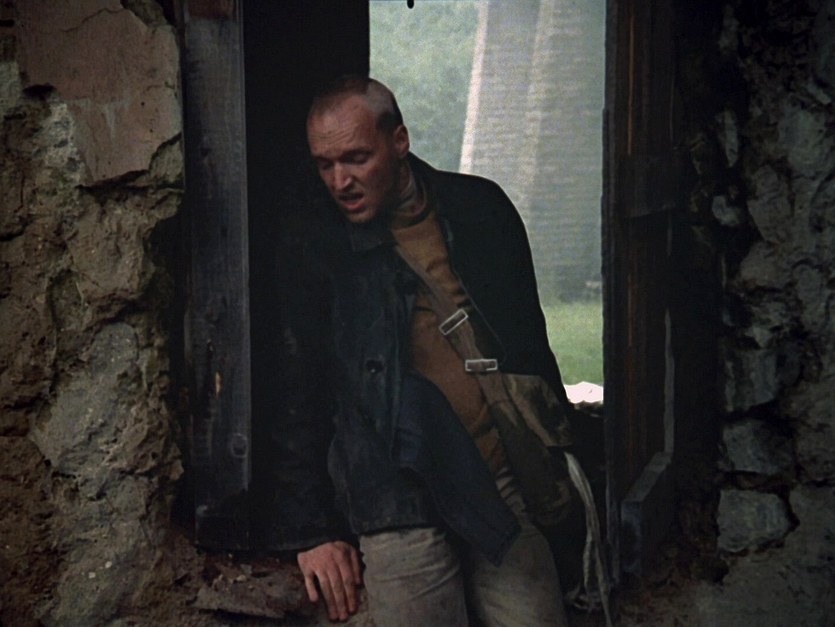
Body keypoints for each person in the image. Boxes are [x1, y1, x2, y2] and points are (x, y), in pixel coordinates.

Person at [284, 75, 577, 625]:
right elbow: (296, 391)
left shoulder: (480, 210)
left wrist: (560, 466)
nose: (340, 181)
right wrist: (313, 531)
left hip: (494, 473)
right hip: (393, 493)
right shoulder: (317, 245)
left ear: (399, 141)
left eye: (356, 158)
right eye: (325, 164)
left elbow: (530, 350)